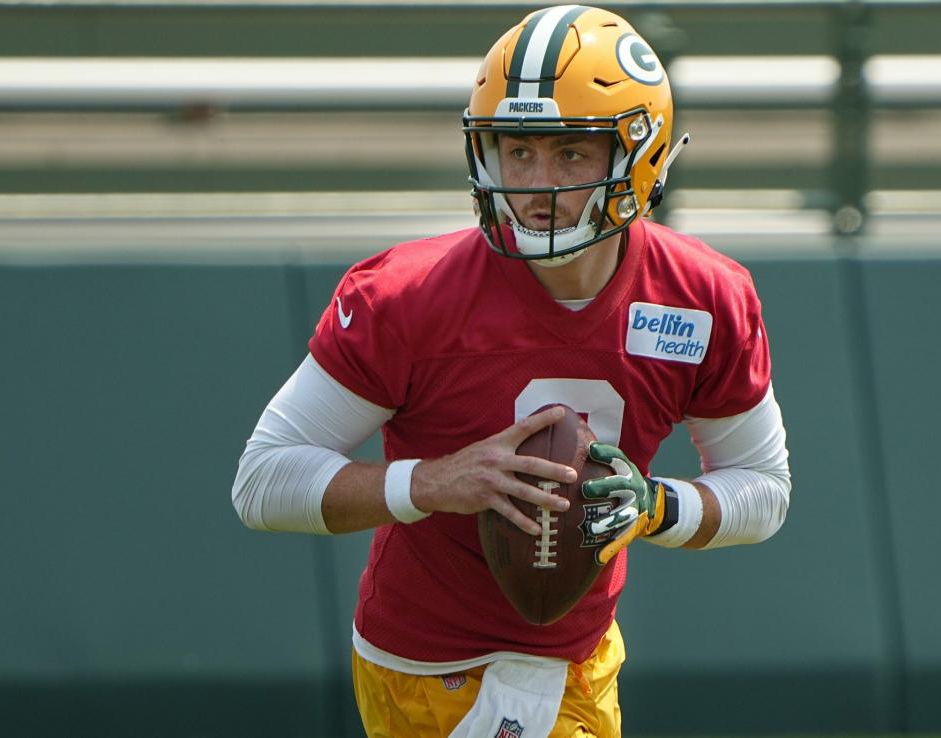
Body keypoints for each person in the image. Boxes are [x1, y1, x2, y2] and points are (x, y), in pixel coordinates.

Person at [232, 4, 791, 736]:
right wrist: (432, 482)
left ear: (637, 156)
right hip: (430, 669)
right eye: (517, 152)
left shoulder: (704, 297)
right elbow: (263, 479)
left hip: (583, 658)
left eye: (570, 154)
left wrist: (656, 507)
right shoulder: (409, 296)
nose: (534, 184)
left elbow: (763, 486)